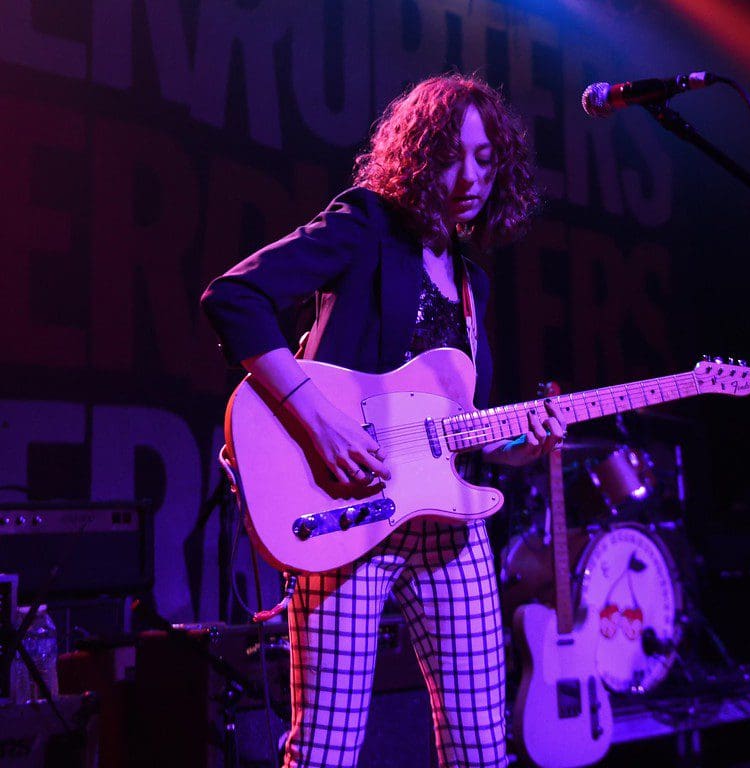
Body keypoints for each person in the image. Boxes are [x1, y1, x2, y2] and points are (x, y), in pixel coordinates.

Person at [201, 74, 564, 768]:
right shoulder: (367, 224)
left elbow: (459, 427)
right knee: (327, 750)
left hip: (447, 526)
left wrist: (520, 445)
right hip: (349, 517)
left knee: (483, 747)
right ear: (420, 156)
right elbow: (234, 296)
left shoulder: (474, 281)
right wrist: (318, 421)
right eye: (451, 156)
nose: (470, 177)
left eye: (486, 159)